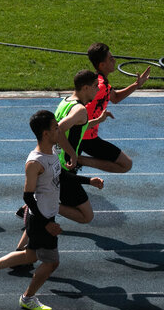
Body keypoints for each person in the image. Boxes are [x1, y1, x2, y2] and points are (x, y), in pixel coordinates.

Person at [0, 110, 63, 310]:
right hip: (40, 219)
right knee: (51, 263)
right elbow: (27, 196)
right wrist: (47, 223)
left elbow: (60, 178)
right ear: (45, 133)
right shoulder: (35, 162)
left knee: (30, 255)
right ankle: (28, 297)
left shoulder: (51, 153)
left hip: (45, 216)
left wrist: (89, 181)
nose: (59, 129)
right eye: (55, 127)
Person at [14, 70, 109, 250]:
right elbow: (60, 130)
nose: (98, 90)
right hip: (63, 167)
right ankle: (40, 210)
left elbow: (74, 127)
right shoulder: (80, 109)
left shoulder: (66, 101)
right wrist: (72, 154)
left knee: (47, 212)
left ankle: (21, 251)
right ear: (86, 87)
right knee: (86, 216)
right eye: (96, 86)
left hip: (55, 163)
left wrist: (96, 120)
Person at [81, 42, 151, 173]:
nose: (114, 60)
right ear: (102, 65)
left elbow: (116, 97)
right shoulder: (99, 86)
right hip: (86, 137)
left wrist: (137, 84)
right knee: (126, 164)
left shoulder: (100, 81)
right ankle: (80, 160)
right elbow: (80, 104)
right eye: (110, 58)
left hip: (85, 135)